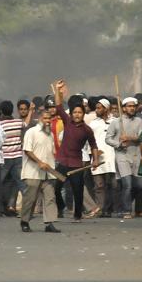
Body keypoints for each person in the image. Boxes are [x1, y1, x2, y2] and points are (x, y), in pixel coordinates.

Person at [52, 80, 100, 222]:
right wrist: (57, 90)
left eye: (80, 112)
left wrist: (96, 159)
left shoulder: (87, 130)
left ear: (83, 114)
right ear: (71, 113)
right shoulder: (67, 121)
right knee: (56, 189)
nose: (77, 114)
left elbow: (94, 145)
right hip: (62, 162)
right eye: (75, 112)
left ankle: (77, 215)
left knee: (78, 191)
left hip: (76, 164)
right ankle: (60, 207)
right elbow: (58, 106)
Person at [19, 109, 62, 233]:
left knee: (50, 197)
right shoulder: (31, 132)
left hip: (48, 173)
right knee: (30, 199)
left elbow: (52, 152)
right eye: (45, 118)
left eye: (49, 119)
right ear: (39, 119)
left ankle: (49, 223)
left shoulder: (51, 135)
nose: (48, 121)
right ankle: (25, 221)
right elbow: (27, 150)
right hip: (32, 172)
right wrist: (39, 162)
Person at [105, 96, 142, 219]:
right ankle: (126, 210)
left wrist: (129, 138)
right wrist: (118, 144)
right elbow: (108, 139)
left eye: (133, 106)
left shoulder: (139, 121)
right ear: (123, 108)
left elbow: (141, 137)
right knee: (127, 184)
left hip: (136, 155)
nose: (132, 108)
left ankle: (133, 208)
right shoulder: (116, 122)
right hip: (121, 155)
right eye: (129, 106)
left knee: (139, 185)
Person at [89, 98, 118, 217]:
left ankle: (111, 209)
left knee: (113, 185)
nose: (96, 110)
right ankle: (100, 208)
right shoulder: (93, 124)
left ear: (106, 109)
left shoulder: (116, 122)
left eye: (99, 108)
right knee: (99, 186)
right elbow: (89, 141)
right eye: (96, 108)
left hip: (112, 157)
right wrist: (92, 154)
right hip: (98, 158)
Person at [0, 100, 25, 217]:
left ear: (2, 112)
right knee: (21, 183)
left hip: (5, 158)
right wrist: (31, 111)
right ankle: (28, 208)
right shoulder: (19, 122)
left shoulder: (0, 125)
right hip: (18, 157)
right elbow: (26, 123)